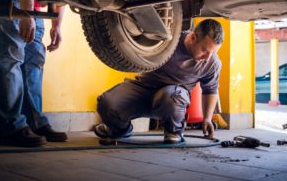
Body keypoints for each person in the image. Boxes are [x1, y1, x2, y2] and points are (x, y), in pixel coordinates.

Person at [95, 19, 224, 144]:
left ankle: (174, 131)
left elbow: (210, 90)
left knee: (173, 95)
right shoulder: (168, 40)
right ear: (193, 37)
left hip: (171, 99)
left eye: (212, 53)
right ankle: (119, 129)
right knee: (107, 103)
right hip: (143, 87)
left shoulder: (212, 63)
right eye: (205, 51)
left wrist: (207, 118)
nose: (207, 58)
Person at [0, 0, 67, 147]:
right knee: (9, 60)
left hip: (33, 6)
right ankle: (11, 128)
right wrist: (25, 13)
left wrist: (56, 25)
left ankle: (34, 123)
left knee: (33, 64)